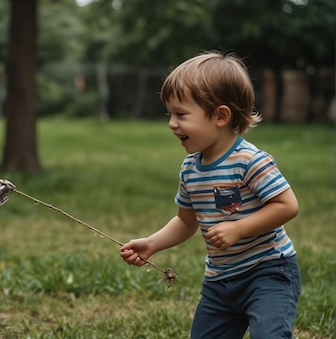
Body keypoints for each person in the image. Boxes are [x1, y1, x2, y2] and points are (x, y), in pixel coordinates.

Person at [120, 51, 301, 339]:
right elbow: (185, 221)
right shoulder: (190, 169)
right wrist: (152, 244)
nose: (171, 123)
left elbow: (287, 205)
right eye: (170, 114)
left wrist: (238, 228)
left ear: (220, 115)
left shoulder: (250, 160)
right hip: (220, 282)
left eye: (181, 114)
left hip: (268, 272)